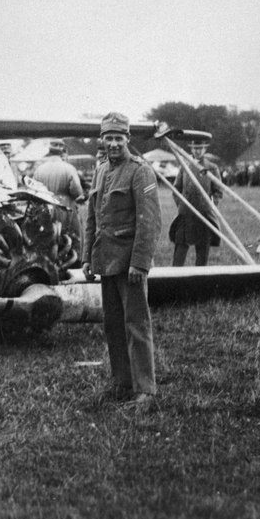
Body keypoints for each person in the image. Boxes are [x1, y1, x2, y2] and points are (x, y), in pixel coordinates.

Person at [83, 112, 162, 405]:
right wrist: (87, 257)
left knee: (136, 325)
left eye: (119, 138)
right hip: (106, 262)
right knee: (113, 325)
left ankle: (145, 390)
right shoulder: (101, 170)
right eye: (109, 138)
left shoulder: (140, 171)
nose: (114, 143)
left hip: (129, 265)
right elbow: (93, 217)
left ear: (128, 139)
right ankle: (121, 383)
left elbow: (150, 221)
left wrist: (140, 264)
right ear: (102, 140)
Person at [32, 140, 85, 265]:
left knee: (48, 238)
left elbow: (33, 191)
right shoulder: (69, 168)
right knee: (70, 238)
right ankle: (72, 264)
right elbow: (77, 192)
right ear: (62, 150)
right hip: (65, 206)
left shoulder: (39, 169)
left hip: (45, 206)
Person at [171, 140, 222, 267]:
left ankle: (201, 280)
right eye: (195, 148)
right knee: (180, 251)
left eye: (200, 148)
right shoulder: (184, 165)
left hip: (203, 215)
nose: (197, 151)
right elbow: (176, 188)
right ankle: (174, 278)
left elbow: (218, 191)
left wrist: (209, 204)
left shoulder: (212, 167)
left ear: (205, 149)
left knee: (202, 252)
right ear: (191, 149)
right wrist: (181, 204)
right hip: (185, 214)